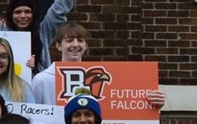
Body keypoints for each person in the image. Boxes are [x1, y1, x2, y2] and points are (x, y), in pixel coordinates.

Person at [30, 22, 167, 109]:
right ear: (59, 45)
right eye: (69, 40)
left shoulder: (104, 80)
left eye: (80, 40)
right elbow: (33, 118)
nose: (75, 45)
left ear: (86, 46)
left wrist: (153, 105)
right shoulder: (42, 80)